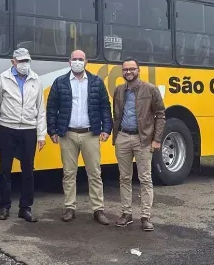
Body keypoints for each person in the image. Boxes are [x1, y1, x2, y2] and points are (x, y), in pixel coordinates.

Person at [46, 50, 113, 224]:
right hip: (67, 134)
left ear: (86, 62)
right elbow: (52, 108)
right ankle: (70, 208)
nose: (77, 62)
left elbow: (105, 107)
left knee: (95, 173)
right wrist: (52, 130)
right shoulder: (60, 82)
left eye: (80, 59)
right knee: (69, 173)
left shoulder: (96, 82)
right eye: (74, 59)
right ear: (69, 62)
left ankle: (98, 210)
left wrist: (106, 128)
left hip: (90, 134)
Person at [0, 47, 47, 223]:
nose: (25, 64)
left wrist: (41, 135)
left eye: (27, 61)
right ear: (13, 61)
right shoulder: (3, 78)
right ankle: (4, 206)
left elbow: (40, 109)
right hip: (7, 128)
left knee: (28, 170)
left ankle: (25, 208)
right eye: (21, 61)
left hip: (29, 130)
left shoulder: (36, 79)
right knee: (5, 169)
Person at [112, 58, 166, 231]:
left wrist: (156, 139)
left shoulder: (150, 89)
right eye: (125, 69)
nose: (128, 72)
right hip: (123, 138)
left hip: (143, 140)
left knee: (145, 179)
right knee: (124, 178)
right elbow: (116, 115)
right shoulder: (119, 90)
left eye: (132, 69)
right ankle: (126, 214)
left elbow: (160, 115)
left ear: (138, 70)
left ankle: (145, 216)